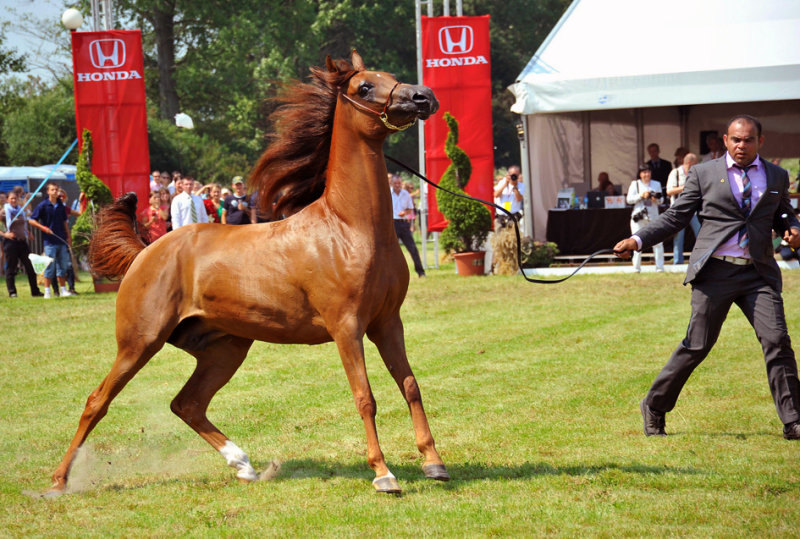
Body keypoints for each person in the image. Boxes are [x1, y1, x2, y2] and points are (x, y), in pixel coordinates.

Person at [614, 114, 800, 440]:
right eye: (736, 140)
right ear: (726, 141)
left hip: (758, 274)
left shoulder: (776, 175)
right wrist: (638, 240)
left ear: (760, 141)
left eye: (749, 140)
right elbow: (676, 217)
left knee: (778, 342)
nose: (742, 146)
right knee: (698, 345)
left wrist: (794, 228)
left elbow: (783, 212)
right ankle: (654, 404)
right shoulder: (704, 174)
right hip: (715, 272)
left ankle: (793, 421)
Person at [29, 182, 74, 298]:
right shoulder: (43, 205)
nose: (55, 192)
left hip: (61, 240)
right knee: (49, 267)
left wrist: (68, 236)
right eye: (52, 190)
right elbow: (32, 220)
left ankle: (63, 290)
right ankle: (47, 291)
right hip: (49, 242)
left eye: (56, 190)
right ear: (48, 191)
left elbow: (65, 222)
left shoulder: (61, 206)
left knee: (62, 266)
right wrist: (43, 228)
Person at [2, 191, 43, 298]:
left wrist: (27, 233)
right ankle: (12, 292)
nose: (14, 201)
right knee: (11, 268)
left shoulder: (20, 210)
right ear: (7, 200)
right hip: (11, 243)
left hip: (22, 242)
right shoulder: (4, 211)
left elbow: (23, 223)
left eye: (15, 198)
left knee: (30, 266)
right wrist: (4, 234)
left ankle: (35, 291)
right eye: (11, 199)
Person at [626, 165, 665, 272]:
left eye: (648, 172)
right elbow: (629, 199)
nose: (646, 175)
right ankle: (636, 267)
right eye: (644, 172)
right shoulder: (635, 184)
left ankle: (660, 267)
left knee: (657, 242)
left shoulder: (656, 184)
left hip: (653, 216)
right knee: (636, 241)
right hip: (639, 216)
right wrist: (641, 195)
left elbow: (661, 199)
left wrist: (654, 198)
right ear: (640, 174)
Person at [665, 152, 701, 264]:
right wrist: (684, 187)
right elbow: (669, 191)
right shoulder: (675, 173)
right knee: (678, 237)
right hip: (679, 210)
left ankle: (701, 260)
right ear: (690, 163)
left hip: (694, 210)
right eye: (695, 163)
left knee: (700, 235)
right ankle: (677, 262)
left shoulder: (696, 173)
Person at [390, 174, 425, 277]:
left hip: (404, 223)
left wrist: (405, 213)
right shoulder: (387, 193)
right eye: (395, 183)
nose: (397, 185)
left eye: (399, 183)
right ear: (391, 183)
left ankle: (420, 271)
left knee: (412, 248)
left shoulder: (405, 194)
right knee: (392, 250)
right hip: (392, 224)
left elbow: (410, 209)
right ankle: (393, 273)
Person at [493, 165, 525, 230]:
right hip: (500, 216)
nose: (514, 177)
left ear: (519, 175)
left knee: (513, 237)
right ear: (508, 174)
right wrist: (505, 184)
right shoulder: (502, 182)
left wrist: (515, 187)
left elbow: (519, 199)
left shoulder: (521, 186)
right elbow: (496, 195)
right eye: (512, 174)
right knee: (499, 237)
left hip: (513, 216)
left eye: (516, 175)